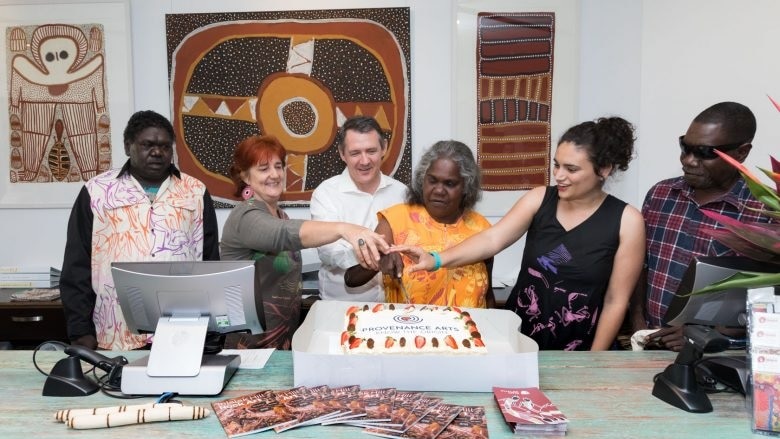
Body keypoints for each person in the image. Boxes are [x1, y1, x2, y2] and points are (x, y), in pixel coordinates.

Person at [395, 117, 645, 351]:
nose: (559, 175)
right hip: (522, 337)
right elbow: (491, 239)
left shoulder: (627, 221)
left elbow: (616, 300)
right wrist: (436, 259)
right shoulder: (540, 199)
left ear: (603, 169)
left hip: (582, 345)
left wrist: (593, 360)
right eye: (556, 165)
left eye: (571, 169)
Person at [60, 110, 220, 350]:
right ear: (128, 146)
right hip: (115, 331)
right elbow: (77, 265)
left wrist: (213, 327)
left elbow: (209, 262)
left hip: (180, 329)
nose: (157, 152)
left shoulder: (195, 191)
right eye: (147, 144)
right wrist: (80, 330)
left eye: (165, 146)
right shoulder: (97, 191)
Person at [220, 135, 390, 350]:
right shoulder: (245, 216)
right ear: (245, 176)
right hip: (250, 345)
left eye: (278, 166)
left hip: (281, 339)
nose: (274, 175)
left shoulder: (280, 215)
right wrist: (345, 229)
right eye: (263, 169)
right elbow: (283, 234)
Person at [630, 102, 771, 351]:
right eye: (685, 147)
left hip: (715, 356)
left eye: (705, 152)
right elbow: (641, 264)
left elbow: (766, 298)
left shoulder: (765, 212)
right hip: (647, 343)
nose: (688, 160)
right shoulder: (661, 194)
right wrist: (638, 320)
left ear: (741, 153)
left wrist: (702, 334)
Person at [344, 140, 495, 307]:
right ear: (422, 179)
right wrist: (380, 259)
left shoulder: (482, 229)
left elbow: (488, 293)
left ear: (467, 186)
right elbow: (351, 279)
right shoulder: (395, 219)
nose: (439, 190)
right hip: (408, 330)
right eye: (432, 181)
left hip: (469, 329)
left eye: (449, 184)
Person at [310, 116, 407, 302]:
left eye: (371, 151)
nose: (364, 161)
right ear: (342, 153)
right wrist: (377, 255)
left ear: (384, 148)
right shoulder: (326, 194)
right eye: (355, 153)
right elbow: (330, 252)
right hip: (341, 308)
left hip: (393, 306)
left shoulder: (401, 193)